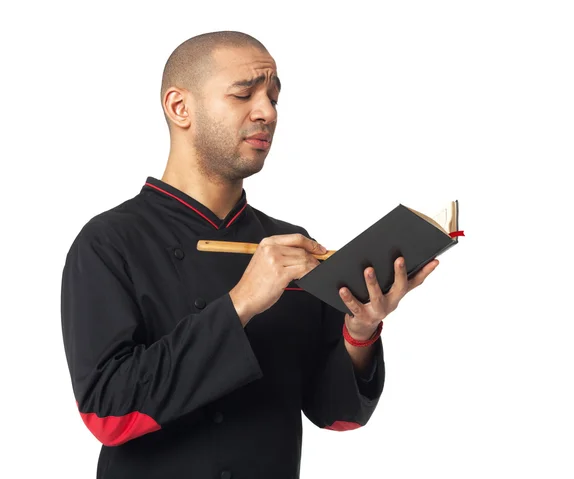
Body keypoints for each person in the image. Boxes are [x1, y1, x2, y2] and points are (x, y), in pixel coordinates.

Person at [60, 30, 439, 479]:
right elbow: (109, 413)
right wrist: (241, 303)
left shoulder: (291, 244)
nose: (267, 112)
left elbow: (336, 414)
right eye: (244, 94)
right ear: (179, 107)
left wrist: (360, 329)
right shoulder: (108, 242)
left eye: (274, 97)